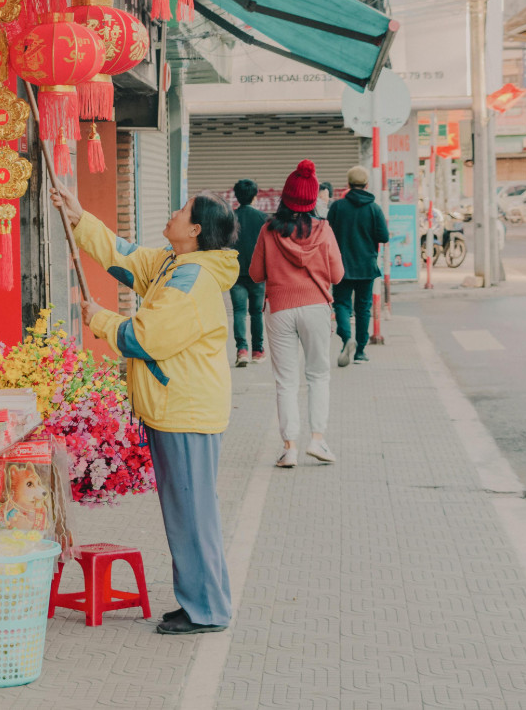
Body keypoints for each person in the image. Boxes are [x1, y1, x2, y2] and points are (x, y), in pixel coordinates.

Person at [52, 186, 240, 636]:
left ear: (195, 230)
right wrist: (80, 218)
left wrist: (99, 318)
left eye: (181, 211)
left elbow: (145, 336)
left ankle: (207, 609)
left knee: (193, 514)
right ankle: (197, 600)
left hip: (186, 412)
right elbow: (128, 258)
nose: (172, 214)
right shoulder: (177, 264)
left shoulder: (191, 280)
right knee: (187, 512)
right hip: (176, 407)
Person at [250, 160, 344, 468]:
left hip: (279, 309)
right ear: (313, 199)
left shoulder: (268, 230)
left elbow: (255, 273)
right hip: (315, 307)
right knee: (318, 375)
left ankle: (289, 447)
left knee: (285, 381)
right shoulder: (324, 229)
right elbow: (338, 274)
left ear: (286, 196)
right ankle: (317, 440)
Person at [327, 165, 390, 366]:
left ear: (348, 184)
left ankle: (347, 339)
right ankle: (360, 351)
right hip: (366, 266)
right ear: (366, 184)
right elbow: (384, 236)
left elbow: (327, 234)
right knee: (363, 308)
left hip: (341, 266)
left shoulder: (337, 207)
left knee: (342, 305)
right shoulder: (374, 208)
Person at [229, 179, 268, 367]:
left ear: (236, 196)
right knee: (256, 313)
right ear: (254, 196)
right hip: (258, 274)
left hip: (235, 273)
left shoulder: (229, 218)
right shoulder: (263, 218)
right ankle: (258, 351)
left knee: (239, 311)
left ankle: (241, 350)